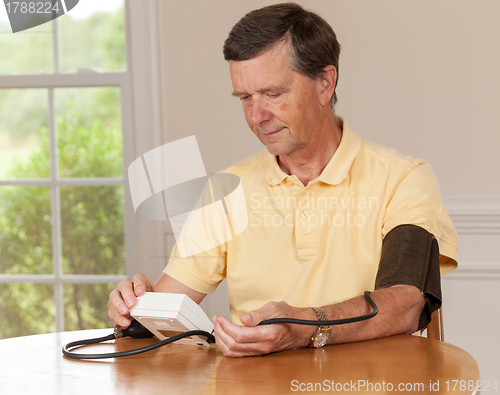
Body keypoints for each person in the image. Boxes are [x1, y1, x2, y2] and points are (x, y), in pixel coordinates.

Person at [108, 3, 458, 357]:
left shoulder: (404, 178)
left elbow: (405, 303)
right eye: (245, 98)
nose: (256, 116)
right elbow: (168, 305)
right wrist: (135, 308)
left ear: (325, 83)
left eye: (274, 93)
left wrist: (304, 327)